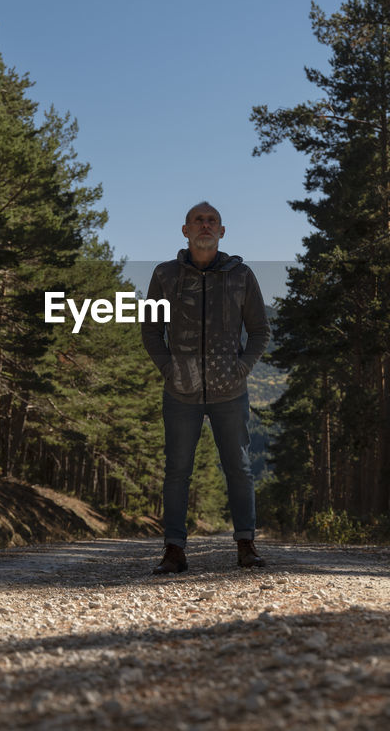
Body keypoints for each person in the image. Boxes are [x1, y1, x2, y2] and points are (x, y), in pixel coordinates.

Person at [141, 201, 271, 573]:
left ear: (222, 232)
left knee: (240, 468)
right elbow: (151, 330)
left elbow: (260, 330)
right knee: (177, 471)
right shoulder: (165, 275)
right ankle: (174, 551)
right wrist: (169, 369)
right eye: (198, 220)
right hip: (180, 392)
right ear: (185, 231)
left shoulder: (241, 275)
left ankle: (246, 544)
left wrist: (242, 368)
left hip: (230, 392)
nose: (205, 225)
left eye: (212, 221)